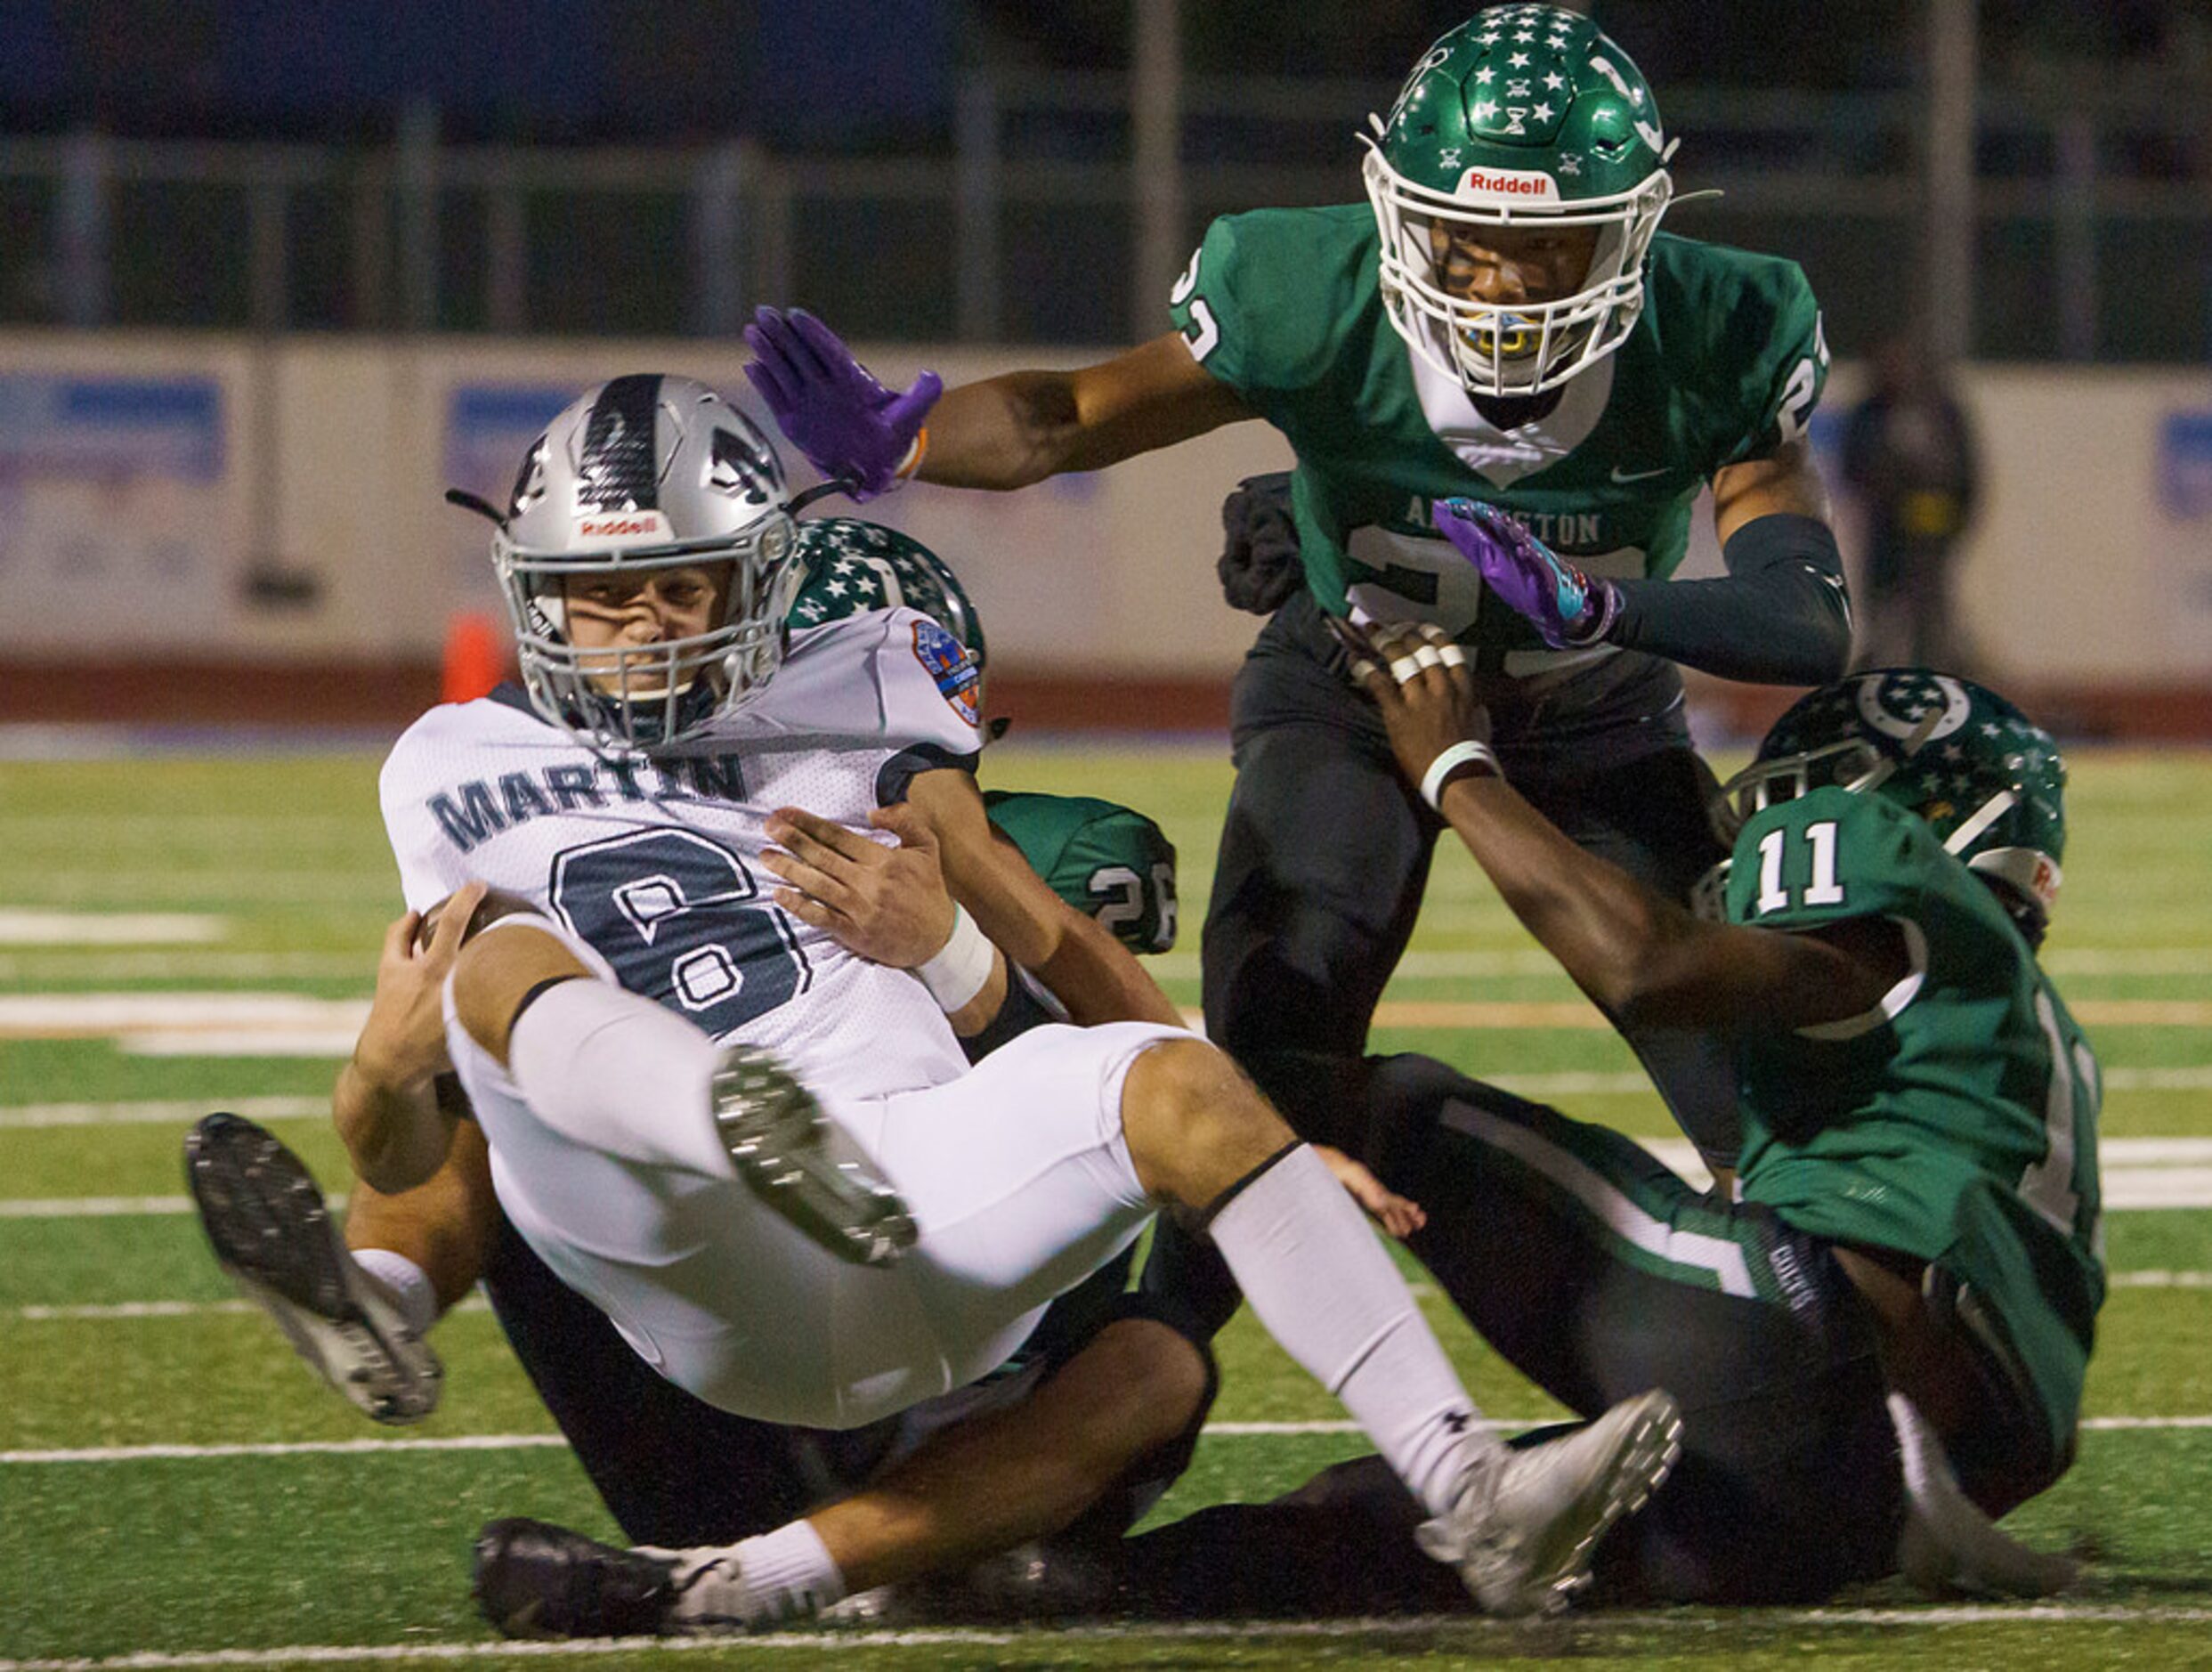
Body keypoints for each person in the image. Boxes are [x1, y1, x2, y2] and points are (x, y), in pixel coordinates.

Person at [199, 371, 1681, 1636]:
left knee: (1169, 1091)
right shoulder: (450, 764)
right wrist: (378, 1074)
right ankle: (644, 1156)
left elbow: (1053, 946)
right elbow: (410, 1138)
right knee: (493, 964)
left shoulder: (877, 689)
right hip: (681, 1226)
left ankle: (1471, 1486)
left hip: (915, 1183)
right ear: (534, 599)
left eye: (682, 588)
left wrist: (1252, 1139)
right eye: (598, 599)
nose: (642, 629)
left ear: (766, 581)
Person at [740, 3, 1852, 1181]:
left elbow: (1803, 617)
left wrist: (1599, 609)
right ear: (1397, 217)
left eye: (1546, 245)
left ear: (1631, 233)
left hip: (1592, 708)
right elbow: (1066, 415)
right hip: (1352, 689)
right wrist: (905, 443)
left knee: (1768, 1106)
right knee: (1270, 1077)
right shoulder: (1308, 293)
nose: (1498, 281)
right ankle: (1141, 1347)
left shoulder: (1721, 327)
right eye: (1461, 235)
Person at [1083, 641, 2100, 1613]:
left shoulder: (1889, 904)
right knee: (1363, 1524)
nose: (1763, 830)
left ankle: (1099, 1404)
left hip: (1799, 1345)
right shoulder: (2021, 1043)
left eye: (1802, 795)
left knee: (1358, 1102)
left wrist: (1455, 767)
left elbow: (1645, 965)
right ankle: (1034, 1561)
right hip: (1852, 1508)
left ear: (1922, 816)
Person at [1840, 335, 1981, 672]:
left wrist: (1956, 522)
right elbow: (1853, 468)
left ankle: (1937, 669)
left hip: (1930, 531)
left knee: (1929, 607)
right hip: (1885, 529)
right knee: (1882, 607)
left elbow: (1966, 475)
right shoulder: (1869, 412)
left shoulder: (1941, 412)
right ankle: (1878, 672)